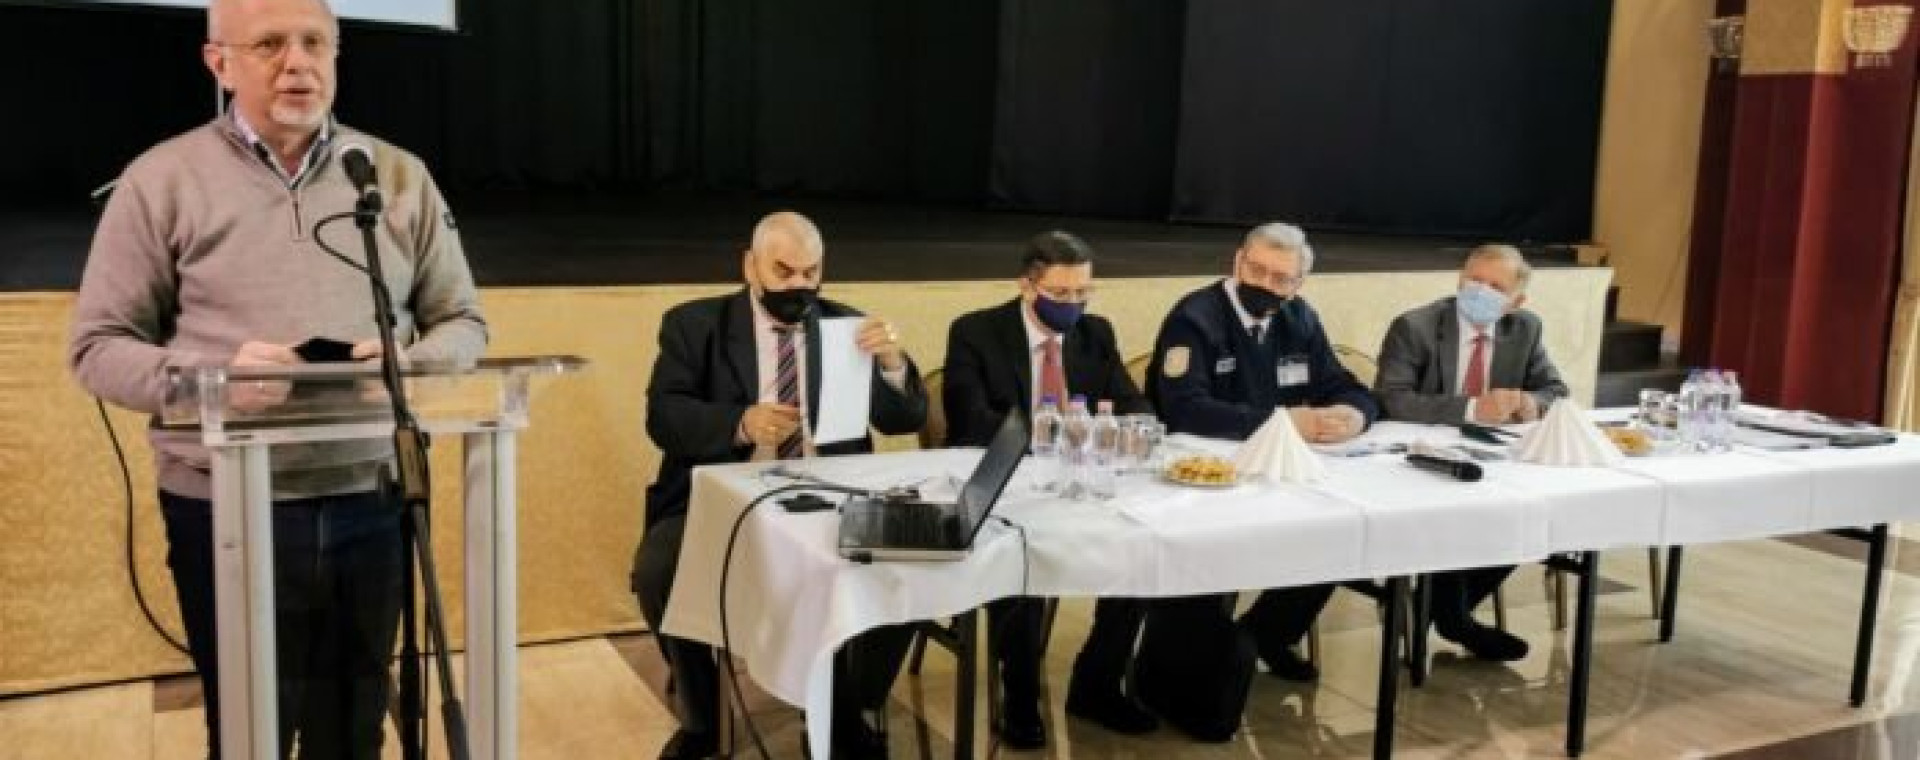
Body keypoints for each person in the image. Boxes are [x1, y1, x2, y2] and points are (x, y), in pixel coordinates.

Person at [67, 0, 487, 756]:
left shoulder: (395, 174)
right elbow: (97, 347)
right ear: (218, 62)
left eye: (314, 43)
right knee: (248, 731)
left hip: (373, 496)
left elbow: (463, 322)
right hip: (227, 503)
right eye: (269, 44)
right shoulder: (161, 178)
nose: (298, 63)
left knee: (353, 730)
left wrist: (410, 365)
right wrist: (214, 379)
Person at [631, 211, 929, 760]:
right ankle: (703, 717)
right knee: (660, 570)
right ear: (751, 266)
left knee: (912, 559)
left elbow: (903, 418)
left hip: (829, 495)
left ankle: (846, 707)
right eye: (783, 271)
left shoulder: (845, 326)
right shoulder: (695, 325)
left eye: (811, 273)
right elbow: (663, 417)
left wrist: (892, 364)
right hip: (721, 494)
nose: (798, 285)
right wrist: (740, 423)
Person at [940, 231, 1158, 749]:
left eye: (1083, 292)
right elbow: (970, 420)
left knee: (1142, 548)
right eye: (1060, 294)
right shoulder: (976, 332)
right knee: (1023, 556)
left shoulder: (1095, 333)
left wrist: (1138, 427)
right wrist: (1057, 434)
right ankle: (1018, 697)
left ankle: (1097, 682)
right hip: (1005, 482)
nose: (1073, 304)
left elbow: (1131, 402)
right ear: (1027, 285)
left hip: (1079, 480)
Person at [1146, 222, 1377, 685]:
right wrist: (1282, 420)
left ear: (1298, 284)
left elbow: (1342, 384)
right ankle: (1203, 661)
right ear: (1238, 262)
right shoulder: (1195, 318)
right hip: (1211, 474)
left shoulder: (1300, 318)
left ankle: (1266, 636)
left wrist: (1355, 415)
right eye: (1257, 271)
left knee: (1337, 529)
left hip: (1282, 471)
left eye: (1281, 278)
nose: (1266, 285)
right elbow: (1183, 408)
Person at [1374, 243, 1569, 661]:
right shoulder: (1416, 326)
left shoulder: (1525, 328)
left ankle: (1444, 611)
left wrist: (1530, 403)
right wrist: (1471, 408)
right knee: (1458, 510)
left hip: (1491, 456)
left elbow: (1555, 391)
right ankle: (1455, 620)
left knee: (1527, 512)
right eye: (1473, 279)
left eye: (1495, 287)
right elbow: (1392, 398)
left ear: (1516, 301)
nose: (1480, 291)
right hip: (1420, 459)